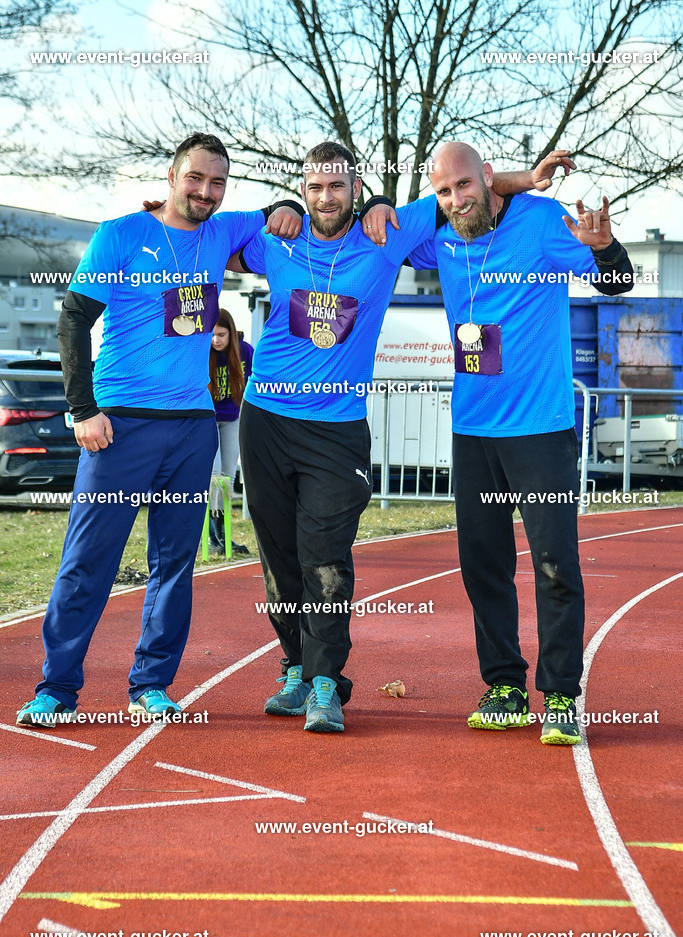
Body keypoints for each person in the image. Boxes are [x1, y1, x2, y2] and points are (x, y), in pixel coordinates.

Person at [231, 140, 573, 734]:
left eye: (337, 186)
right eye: (314, 187)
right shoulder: (276, 237)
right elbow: (213, 236)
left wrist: (528, 178)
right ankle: (295, 665)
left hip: (338, 427)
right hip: (265, 417)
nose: (325, 197)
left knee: (326, 558)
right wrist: (272, 206)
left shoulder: (386, 234)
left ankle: (324, 682)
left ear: (358, 189)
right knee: (279, 560)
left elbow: (463, 196)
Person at [16, 132, 303, 727]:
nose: (205, 191)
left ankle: (151, 683)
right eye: (195, 179)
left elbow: (284, 210)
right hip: (120, 423)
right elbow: (73, 321)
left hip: (193, 425)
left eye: (218, 182)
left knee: (174, 562)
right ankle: (57, 688)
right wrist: (81, 410)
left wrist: (291, 209)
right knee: (88, 559)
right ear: (172, 177)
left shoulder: (224, 230)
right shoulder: (120, 235)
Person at [364, 141, 634, 745]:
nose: (455, 200)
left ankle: (562, 695)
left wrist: (607, 247)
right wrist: (383, 198)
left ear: (488, 179)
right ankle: (505, 686)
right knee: (483, 566)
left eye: (464, 185)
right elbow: (389, 228)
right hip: (473, 430)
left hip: (539, 429)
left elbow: (616, 282)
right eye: (443, 192)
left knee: (554, 564)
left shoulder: (539, 222)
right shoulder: (443, 235)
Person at [207, 308, 253, 552]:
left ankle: (223, 533)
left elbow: (257, 381)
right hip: (208, 419)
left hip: (232, 418)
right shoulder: (204, 351)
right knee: (213, 476)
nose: (216, 340)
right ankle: (211, 536)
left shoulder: (245, 352)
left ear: (231, 333)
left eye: (221, 335)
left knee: (227, 476)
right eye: (212, 335)